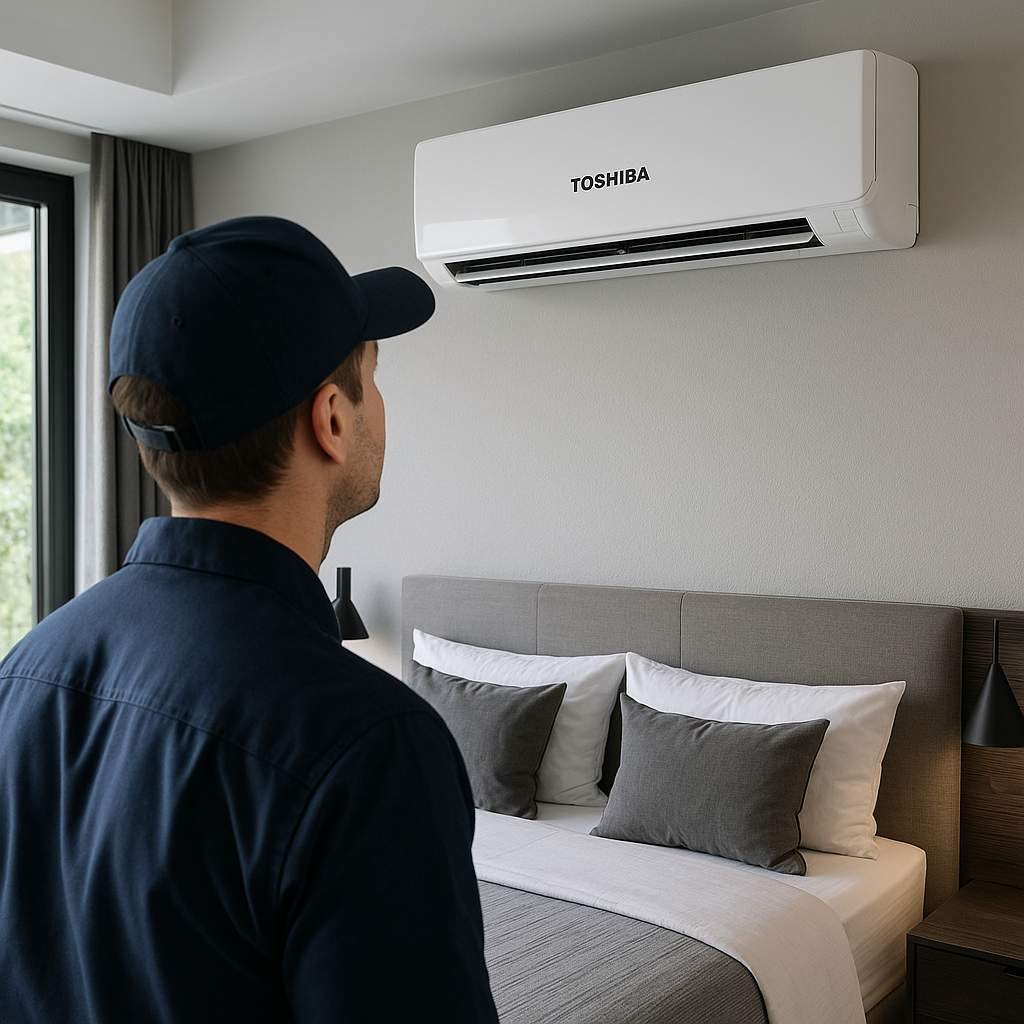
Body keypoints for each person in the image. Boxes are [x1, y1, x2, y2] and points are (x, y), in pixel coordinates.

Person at [0, 215, 499, 1023]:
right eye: (371, 378)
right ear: (332, 419)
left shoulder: (24, 673)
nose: (380, 404)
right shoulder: (370, 747)